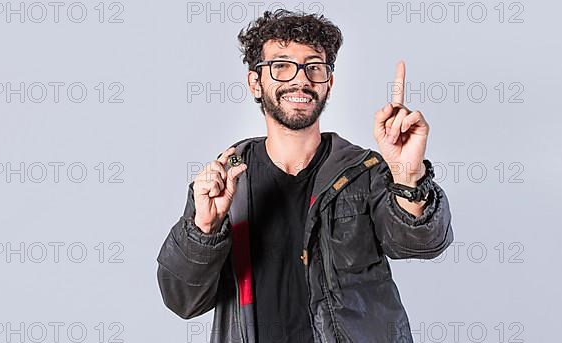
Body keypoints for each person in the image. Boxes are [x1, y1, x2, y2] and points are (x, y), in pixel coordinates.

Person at [157, 9, 453, 343]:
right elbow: (182, 299)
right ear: (255, 82)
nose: (301, 80)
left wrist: (408, 174)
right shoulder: (224, 183)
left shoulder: (364, 172)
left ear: (329, 81)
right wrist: (205, 229)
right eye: (281, 66)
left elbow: (423, 243)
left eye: (314, 66)